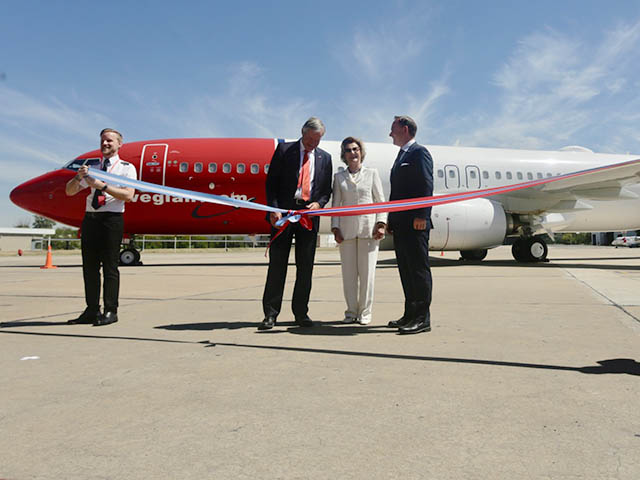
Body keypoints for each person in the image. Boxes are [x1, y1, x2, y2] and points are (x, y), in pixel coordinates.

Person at [259, 117, 333, 330]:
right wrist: (273, 209)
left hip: (308, 216)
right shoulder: (284, 151)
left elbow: (325, 190)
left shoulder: (325, 158)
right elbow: (271, 183)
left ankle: (301, 313)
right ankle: (270, 314)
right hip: (283, 214)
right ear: (303, 132)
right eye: (310, 139)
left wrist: (319, 203)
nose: (313, 144)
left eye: (317, 140)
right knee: (277, 265)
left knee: (305, 267)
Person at [65, 128, 137, 326]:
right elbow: (69, 191)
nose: (105, 144)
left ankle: (111, 310)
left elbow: (128, 195)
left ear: (119, 144)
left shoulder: (126, 168)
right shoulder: (92, 167)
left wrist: (101, 186)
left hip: (111, 220)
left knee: (110, 267)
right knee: (89, 267)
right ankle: (91, 310)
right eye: (103, 140)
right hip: (91, 219)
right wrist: (78, 178)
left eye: (109, 141)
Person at [331, 137, 387, 325]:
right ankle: (351, 312)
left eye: (355, 149)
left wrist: (381, 223)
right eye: (348, 150)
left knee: (367, 275)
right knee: (348, 276)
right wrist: (335, 227)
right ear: (344, 155)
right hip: (346, 232)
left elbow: (380, 201)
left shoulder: (372, 174)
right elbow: (336, 205)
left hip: (368, 231)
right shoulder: (339, 177)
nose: (352, 153)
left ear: (361, 152)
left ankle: (365, 312)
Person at [386, 116, 434, 334]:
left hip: (415, 223)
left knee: (418, 270)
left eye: (393, 129)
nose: (390, 134)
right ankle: (410, 314)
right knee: (406, 270)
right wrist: (391, 219)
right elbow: (397, 193)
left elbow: (425, 185)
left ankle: (422, 318)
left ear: (405, 129)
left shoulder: (419, 153)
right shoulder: (401, 155)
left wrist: (422, 215)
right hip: (401, 223)